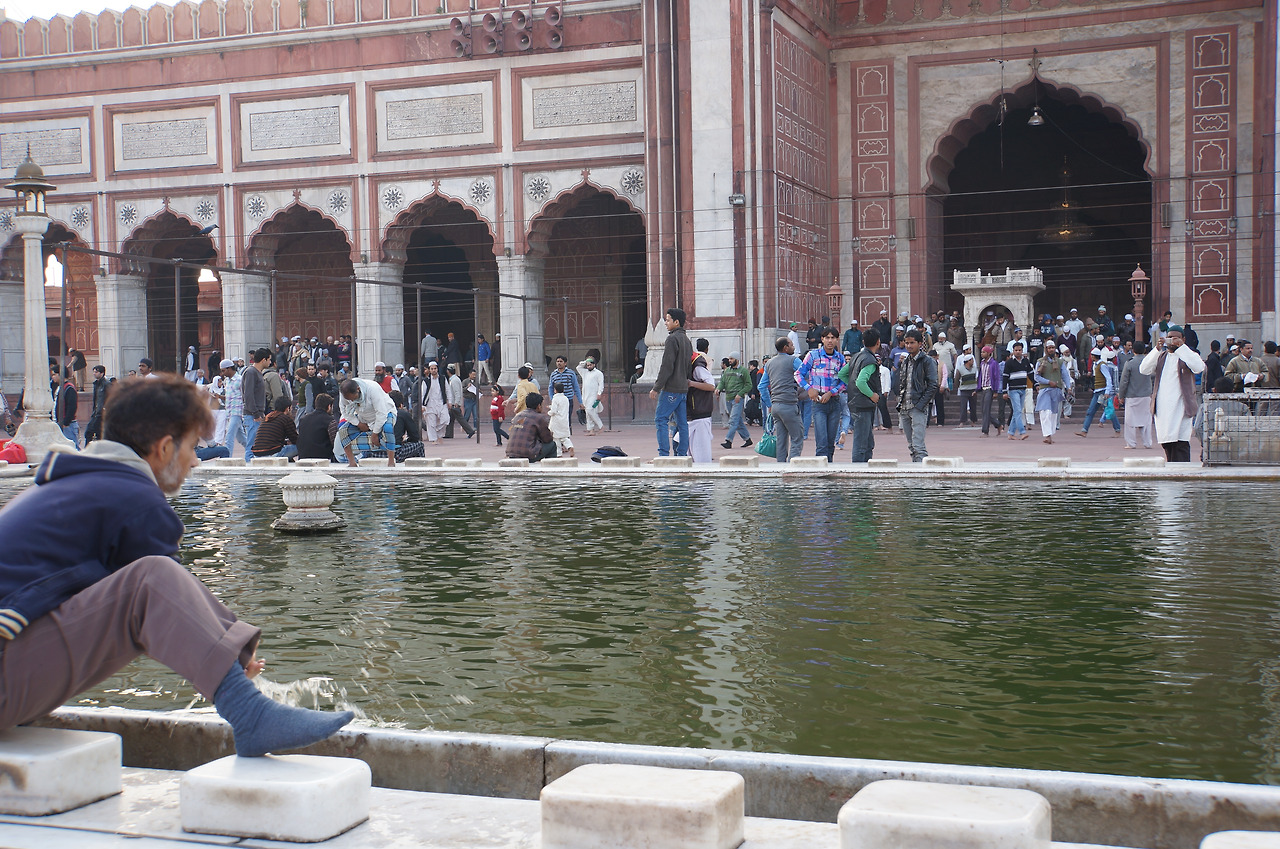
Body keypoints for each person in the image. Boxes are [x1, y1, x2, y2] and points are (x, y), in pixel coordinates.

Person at [0, 375, 353, 755]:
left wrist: (231, 652)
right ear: (165, 448)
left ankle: (244, 697)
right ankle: (249, 713)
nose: (194, 461)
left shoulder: (73, 485)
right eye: (192, 447)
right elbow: (162, 591)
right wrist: (233, 661)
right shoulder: (132, 497)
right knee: (152, 577)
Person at [1140, 326, 1206, 462]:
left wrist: (1182, 348)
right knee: (1167, 444)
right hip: (1163, 409)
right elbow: (1144, 369)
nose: (1172, 341)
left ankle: (1182, 472)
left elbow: (1199, 367)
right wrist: (1156, 349)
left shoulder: (1187, 355)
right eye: (1170, 337)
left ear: (1183, 339)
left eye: (1176, 338)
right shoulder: (1161, 356)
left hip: (1181, 407)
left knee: (1180, 443)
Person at [796, 327, 846, 461]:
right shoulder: (813, 356)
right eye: (827, 338)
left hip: (834, 402)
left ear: (837, 340)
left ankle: (829, 467)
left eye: (833, 338)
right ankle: (821, 470)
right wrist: (809, 389)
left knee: (830, 443)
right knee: (822, 442)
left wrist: (831, 392)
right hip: (818, 402)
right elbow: (798, 374)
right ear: (822, 339)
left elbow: (844, 381)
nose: (830, 341)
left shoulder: (840, 358)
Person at [649, 307, 692, 457]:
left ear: (676, 322)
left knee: (661, 419)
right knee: (682, 423)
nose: (666, 323)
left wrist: (656, 387)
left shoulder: (672, 339)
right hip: (683, 388)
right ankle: (681, 455)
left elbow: (667, 366)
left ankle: (663, 454)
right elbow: (689, 366)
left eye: (668, 320)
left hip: (671, 388)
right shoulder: (686, 340)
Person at [895, 329, 937, 462]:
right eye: (906, 343)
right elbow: (902, 383)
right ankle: (915, 469)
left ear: (920, 343)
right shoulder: (905, 361)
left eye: (912, 343)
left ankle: (922, 471)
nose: (908, 346)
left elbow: (933, 385)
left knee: (918, 446)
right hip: (905, 406)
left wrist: (921, 405)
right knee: (911, 446)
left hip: (917, 406)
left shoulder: (927, 361)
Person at [336, 377, 397, 468]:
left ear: (358, 389)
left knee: (388, 428)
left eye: (353, 398)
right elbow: (344, 412)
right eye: (349, 399)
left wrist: (375, 433)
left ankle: (391, 462)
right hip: (363, 417)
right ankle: (352, 463)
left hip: (386, 412)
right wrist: (358, 424)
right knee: (343, 431)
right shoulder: (344, 393)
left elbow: (381, 413)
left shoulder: (373, 388)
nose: (352, 401)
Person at [841, 327, 881, 463]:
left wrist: (852, 386)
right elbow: (861, 382)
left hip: (856, 402)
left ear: (863, 342)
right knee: (861, 444)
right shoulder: (869, 361)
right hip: (863, 404)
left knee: (867, 442)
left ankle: (865, 467)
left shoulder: (856, 356)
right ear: (878, 342)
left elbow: (842, 374)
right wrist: (871, 395)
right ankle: (857, 470)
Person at [1116, 340, 1155, 449]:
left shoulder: (1130, 363)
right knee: (1146, 421)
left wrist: (1121, 395)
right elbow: (1154, 376)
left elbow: (1124, 381)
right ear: (1144, 350)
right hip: (1146, 395)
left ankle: (1131, 443)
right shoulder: (1148, 362)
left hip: (1132, 395)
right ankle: (1147, 443)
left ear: (1133, 350)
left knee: (1130, 421)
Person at [1076, 347, 1122, 438]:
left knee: (1109, 410)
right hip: (1097, 392)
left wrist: (1107, 391)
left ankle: (1117, 429)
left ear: (1094, 356)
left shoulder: (1102, 365)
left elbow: (1108, 378)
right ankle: (1084, 430)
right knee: (1091, 411)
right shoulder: (1097, 365)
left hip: (1102, 391)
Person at [1034, 343, 1073, 443]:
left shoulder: (1059, 362)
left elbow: (1065, 375)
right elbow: (1037, 377)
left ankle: (1050, 434)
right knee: (1045, 412)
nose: (1051, 350)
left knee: (1053, 414)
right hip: (1044, 390)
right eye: (1049, 348)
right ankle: (1047, 435)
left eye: (1053, 348)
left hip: (1056, 390)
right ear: (1046, 349)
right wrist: (1048, 382)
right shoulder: (1040, 362)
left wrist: (1068, 387)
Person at [686, 339, 716, 463]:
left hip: (700, 412)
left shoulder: (697, 365)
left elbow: (711, 385)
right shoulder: (688, 363)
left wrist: (691, 383)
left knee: (701, 455)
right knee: (689, 453)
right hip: (691, 413)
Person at [505, 391, 556, 462]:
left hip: (511, 454)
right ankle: (550, 466)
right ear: (539, 406)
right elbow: (547, 439)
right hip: (528, 455)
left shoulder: (518, 415)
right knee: (552, 445)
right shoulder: (539, 418)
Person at [717, 351, 753, 449]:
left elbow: (749, 385)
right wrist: (718, 389)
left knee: (733, 420)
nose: (729, 361)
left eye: (731, 359)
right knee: (738, 420)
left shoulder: (743, 371)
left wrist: (740, 394)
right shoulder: (727, 371)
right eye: (729, 359)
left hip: (737, 399)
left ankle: (728, 440)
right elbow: (722, 382)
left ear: (737, 360)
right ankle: (747, 439)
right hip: (728, 398)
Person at [1002, 341, 1031, 440]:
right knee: (1018, 411)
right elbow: (1005, 377)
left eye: (1019, 350)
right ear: (1013, 351)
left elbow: (1030, 374)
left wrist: (1036, 384)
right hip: (1013, 390)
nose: (1018, 352)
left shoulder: (1025, 361)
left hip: (1023, 388)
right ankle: (1022, 432)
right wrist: (1004, 391)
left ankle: (1010, 433)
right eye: (1016, 350)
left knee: (1017, 412)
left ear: (1022, 351)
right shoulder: (1009, 363)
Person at [297, 393, 338, 461]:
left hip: (303, 457)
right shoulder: (330, 421)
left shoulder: (303, 419)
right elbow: (335, 443)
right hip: (323, 459)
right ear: (329, 406)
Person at [388, 390, 424, 462]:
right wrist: (406, 440)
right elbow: (415, 436)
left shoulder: (380, 412)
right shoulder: (403, 414)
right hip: (396, 453)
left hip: (378, 452)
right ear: (401, 405)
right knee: (419, 445)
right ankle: (419, 466)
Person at [418, 362, 449, 444]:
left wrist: (450, 401)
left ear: (437, 369)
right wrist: (422, 405)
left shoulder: (443, 378)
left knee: (446, 419)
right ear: (429, 370)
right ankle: (434, 439)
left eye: (435, 368)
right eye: (432, 369)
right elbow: (422, 394)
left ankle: (438, 433)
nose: (433, 370)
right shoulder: (426, 381)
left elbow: (447, 390)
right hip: (430, 404)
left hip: (441, 403)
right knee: (431, 422)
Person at [444, 363, 475, 438]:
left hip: (454, 403)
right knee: (450, 419)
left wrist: (457, 402)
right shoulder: (454, 379)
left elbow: (457, 392)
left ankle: (470, 431)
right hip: (453, 402)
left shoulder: (454, 380)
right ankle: (449, 434)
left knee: (460, 419)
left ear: (448, 371)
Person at [579, 356, 605, 435]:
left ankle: (601, 426)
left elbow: (601, 384)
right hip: (585, 395)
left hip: (594, 395)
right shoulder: (584, 372)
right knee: (588, 413)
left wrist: (599, 393)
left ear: (594, 364)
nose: (589, 366)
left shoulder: (598, 373)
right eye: (587, 365)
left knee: (590, 410)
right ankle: (591, 430)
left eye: (590, 365)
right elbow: (578, 367)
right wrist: (586, 361)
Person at [54, 367, 79, 447]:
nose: (53, 377)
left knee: (72, 447)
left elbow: (72, 406)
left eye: (54, 374)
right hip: (62, 423)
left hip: (68, 424)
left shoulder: (69, 388)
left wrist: (66, 422)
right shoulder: (61, 387)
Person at [548, 382, 574, 458]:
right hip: (564, 420)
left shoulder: (555, 398)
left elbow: (554, 411)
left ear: (555, 390)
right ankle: (570, 446)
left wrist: (549, 412)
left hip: (556, 421)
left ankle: (559, 454)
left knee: (556, 438)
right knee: (564, 437)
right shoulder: (565, 398)